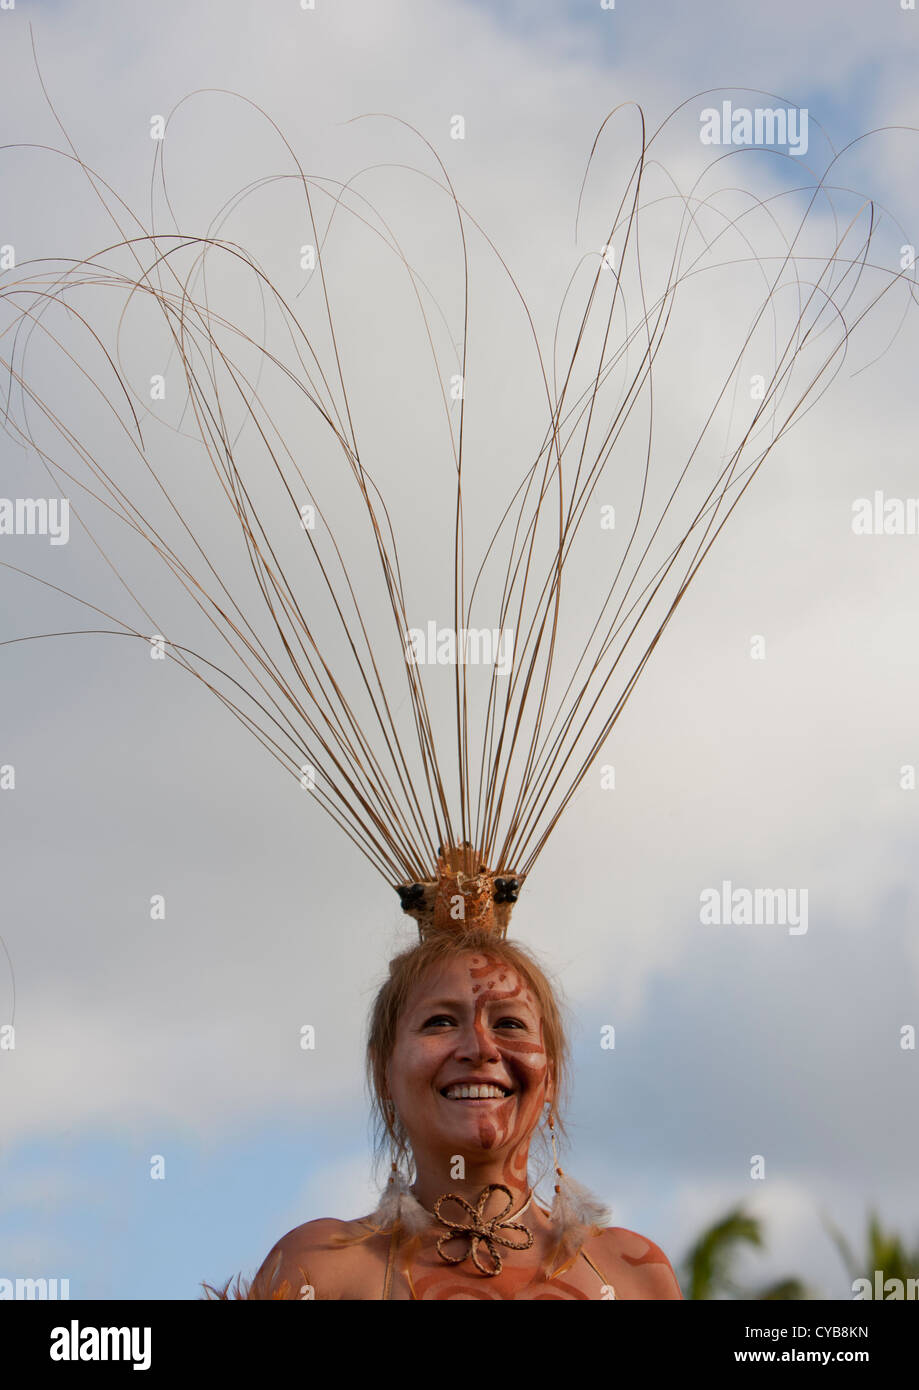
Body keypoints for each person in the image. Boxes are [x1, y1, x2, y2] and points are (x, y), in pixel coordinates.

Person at [207, 925, 682, 1300]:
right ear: (383, 1073)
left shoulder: (631, 1275)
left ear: (551, 1076)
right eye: (440, 1022)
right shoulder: (323, 1267)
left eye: (511, 1023)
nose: (480, 1048)